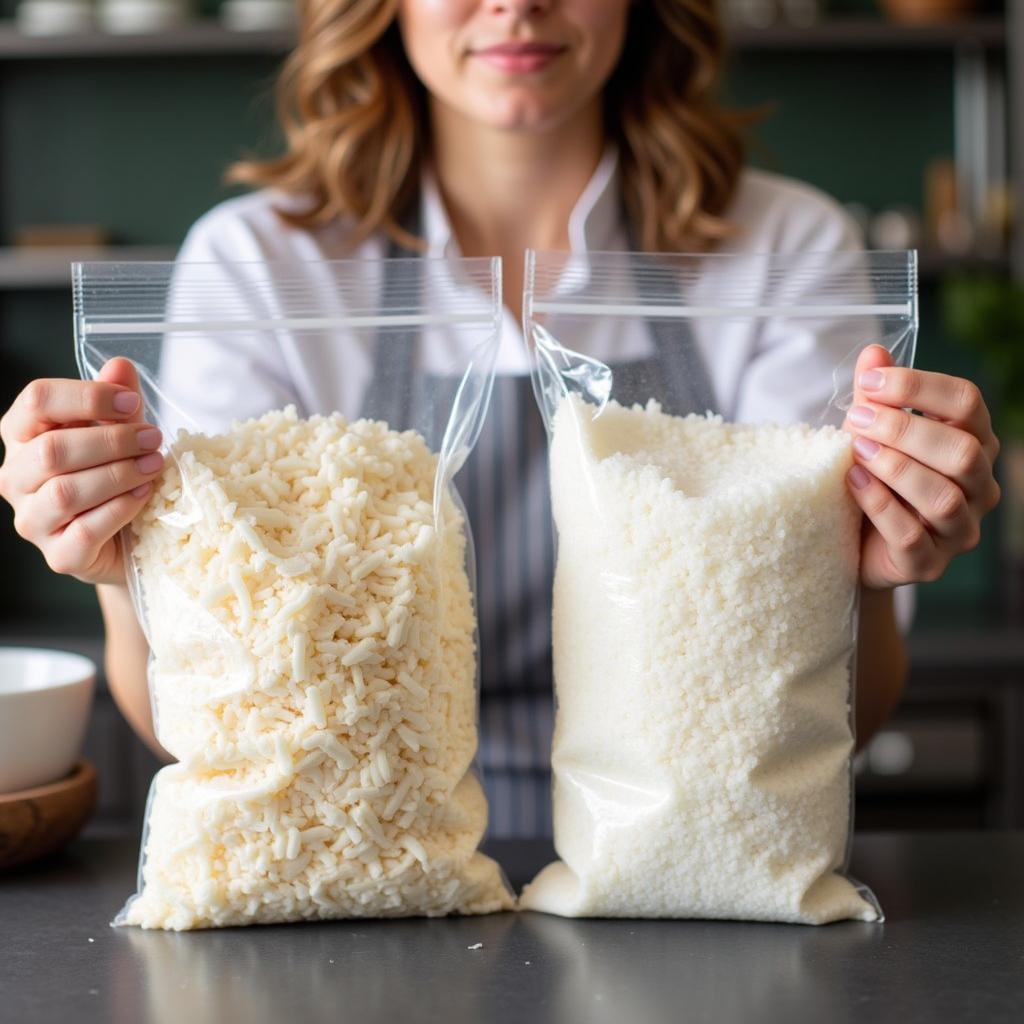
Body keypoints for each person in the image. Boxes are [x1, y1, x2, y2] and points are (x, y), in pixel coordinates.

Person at [0, 0, 1001, 836]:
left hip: (685, 861)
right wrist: (120, 570)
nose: (516, 4)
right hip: (368, 857)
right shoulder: (262, 269)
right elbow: (212, 725)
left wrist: (875, 573)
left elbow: (833, 715)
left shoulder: (784, 252)